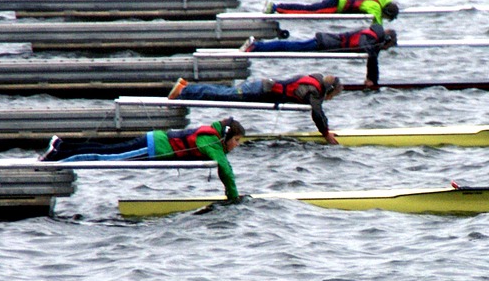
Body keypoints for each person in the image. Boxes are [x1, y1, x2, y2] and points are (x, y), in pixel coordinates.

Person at [38, 118, 245, 201]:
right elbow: (224, 167)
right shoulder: (210, 140)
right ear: (226, 136)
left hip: (153, 142)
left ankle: (60, 147)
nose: (237, 145)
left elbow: (222, 164)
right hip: (153, 147)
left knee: (106, 150)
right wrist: (234, 197)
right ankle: (56, 159)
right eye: (236, 140)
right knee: (105, 157)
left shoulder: (214, 140)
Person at [168, 73, 343, 145]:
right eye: (331, 96)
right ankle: (185, 90)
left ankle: (187, 88)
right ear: (327, 90)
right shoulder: (314, 91)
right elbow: (317, 112)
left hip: (261, 88)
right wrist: (326, 134)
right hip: (258, 89)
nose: (329, 99)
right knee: (224, 94)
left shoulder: (315, 81)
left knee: (223, 93)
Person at [243, 23, 396, 89]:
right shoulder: (372, 39)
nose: (385, 49)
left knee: (292, 46)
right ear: (386, 40)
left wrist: (372, 78)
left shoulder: (373, 36)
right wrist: (372, 80)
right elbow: (370, 54)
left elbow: (371, 55)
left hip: (326, 42)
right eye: (387, 46)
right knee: (291, 47)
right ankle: (257, 46)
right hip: (324, 43)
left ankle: (258, 46)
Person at [263, 0, 399, 25]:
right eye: (387, 18)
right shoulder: (374, 6)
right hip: (336, 6)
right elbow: (376, 22)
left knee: (309, 9)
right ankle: (276, 7)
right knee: (308, 11)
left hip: (337, 2)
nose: (385, 19)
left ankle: (276, 7)